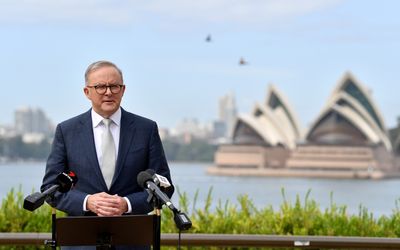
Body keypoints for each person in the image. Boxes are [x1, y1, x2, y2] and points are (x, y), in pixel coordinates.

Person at [41, 60, 173, 248]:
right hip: (81, 243)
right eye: (101, 87)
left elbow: (165, 187)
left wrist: (126, 204)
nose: (109, 92)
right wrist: (88, 202)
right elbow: (50, 188)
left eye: (114, 86)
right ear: (87, 92)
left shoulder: (146, 129)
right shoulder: (67, 131)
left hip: (132, 242)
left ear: (123, 89)